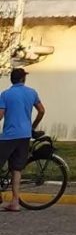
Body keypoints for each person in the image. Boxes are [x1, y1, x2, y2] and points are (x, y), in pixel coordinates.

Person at [0, 68, 45, 212]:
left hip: (9, 136)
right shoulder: (31, 93)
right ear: (23, 79)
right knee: (16, 169)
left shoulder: (6, 94)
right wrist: (32, 126)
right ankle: (15, 202)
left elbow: (0, 115)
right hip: (24, 135)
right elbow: (42, 110)